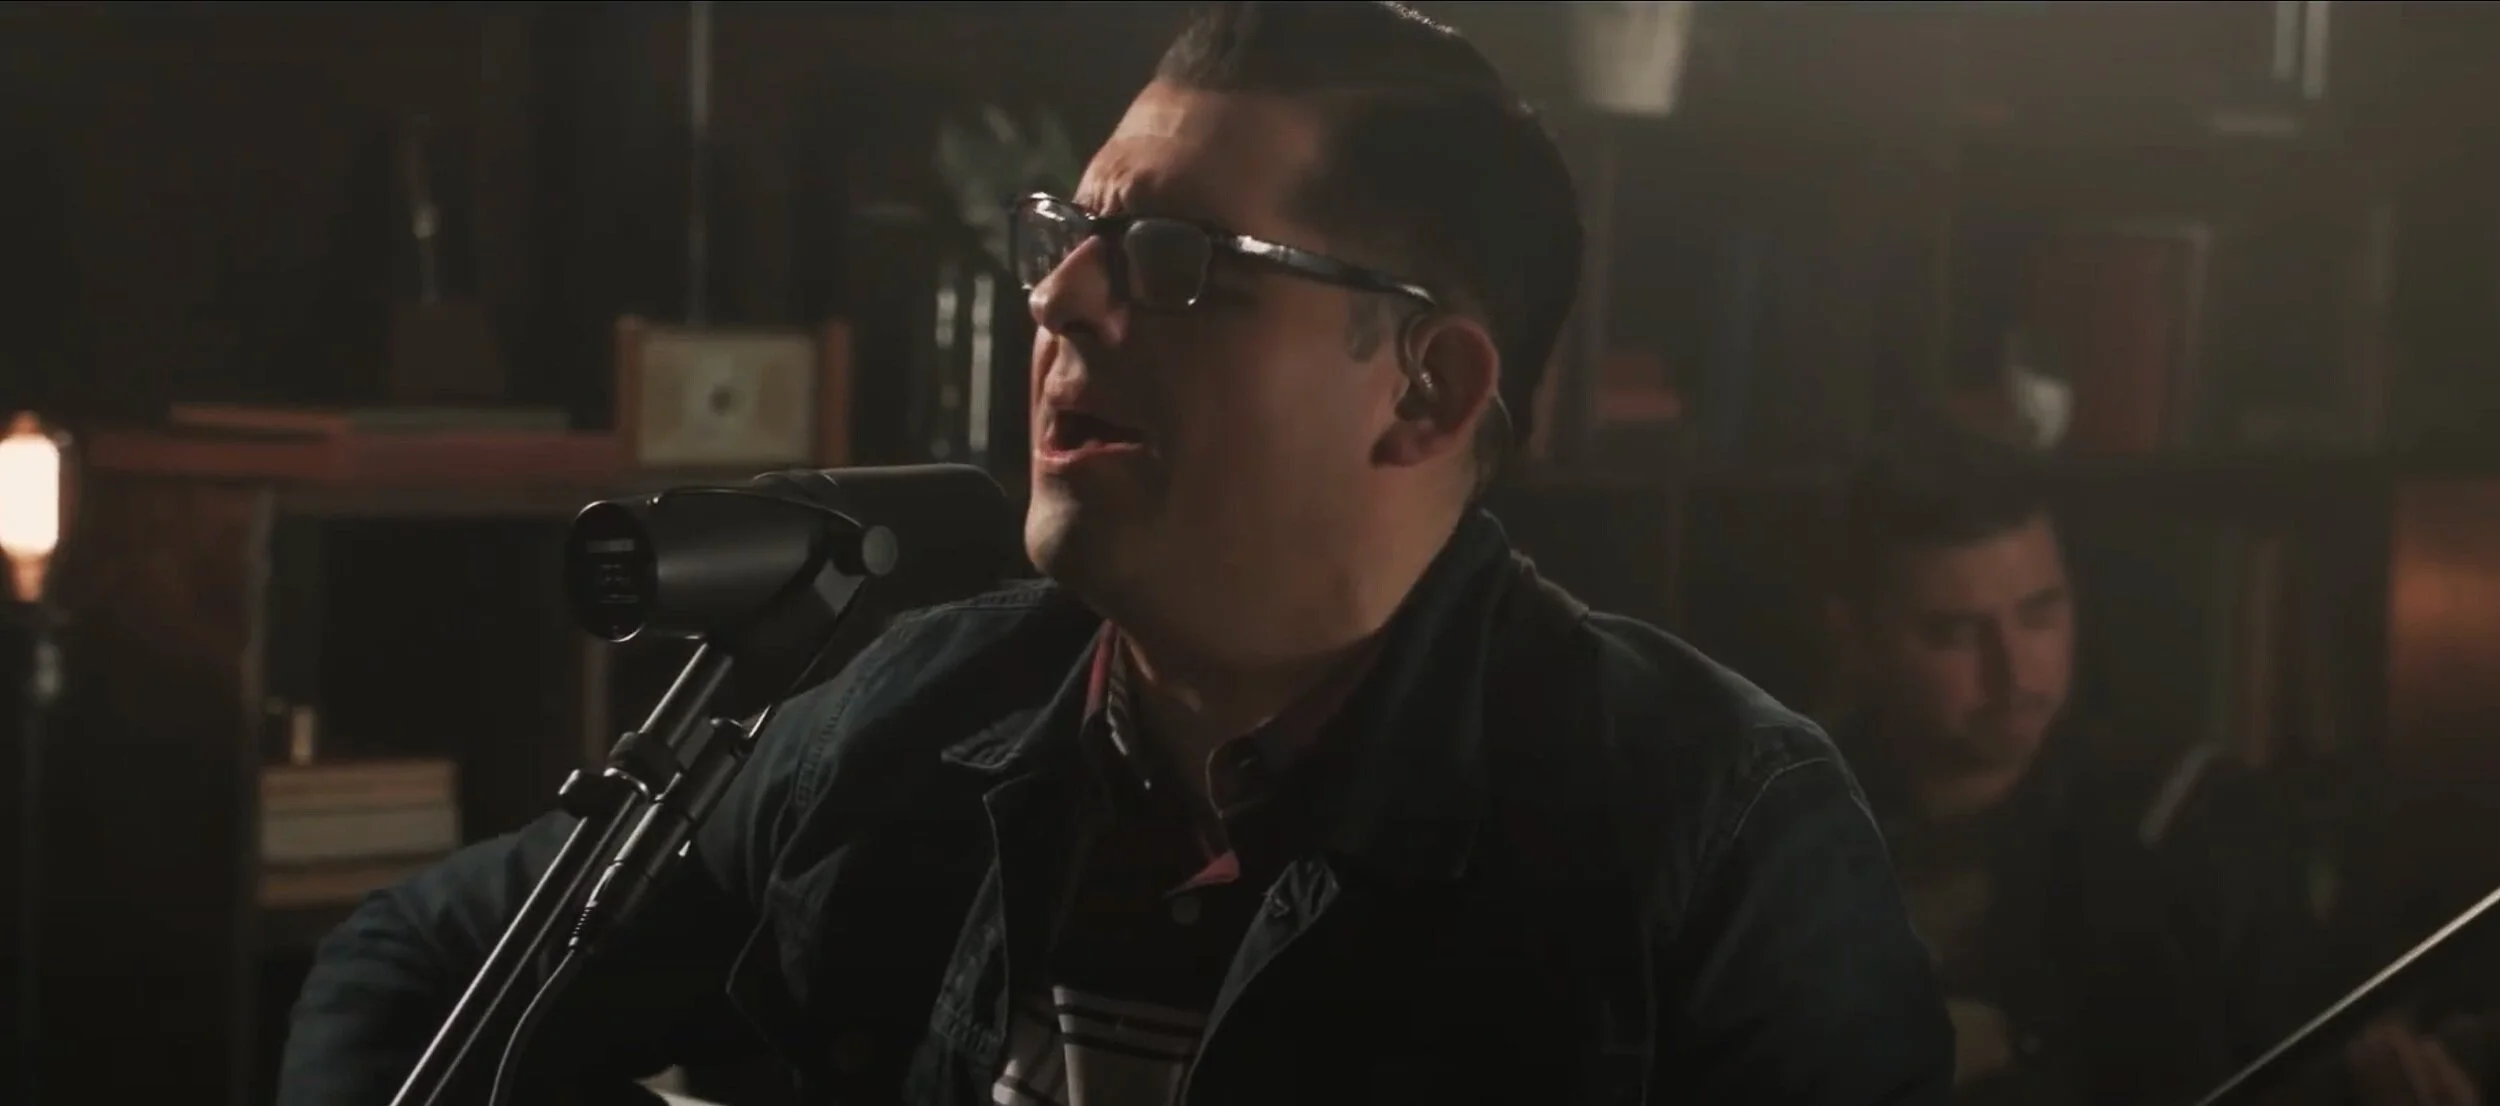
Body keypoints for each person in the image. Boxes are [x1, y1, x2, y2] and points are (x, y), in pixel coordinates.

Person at [278, 5, 1951, 1104]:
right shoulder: (911, 719)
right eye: (1067, 237)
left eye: (1173, 257)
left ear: (1424, 391)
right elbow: (417, 964)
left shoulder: (1709, 837)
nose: (1065, 299)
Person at [1820, 427, 2467, 1106]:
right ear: (1855, 639)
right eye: (1956, 633)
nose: (2014, 671)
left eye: (2040, 614)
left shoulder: (2187, 824)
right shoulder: (1779, 835)